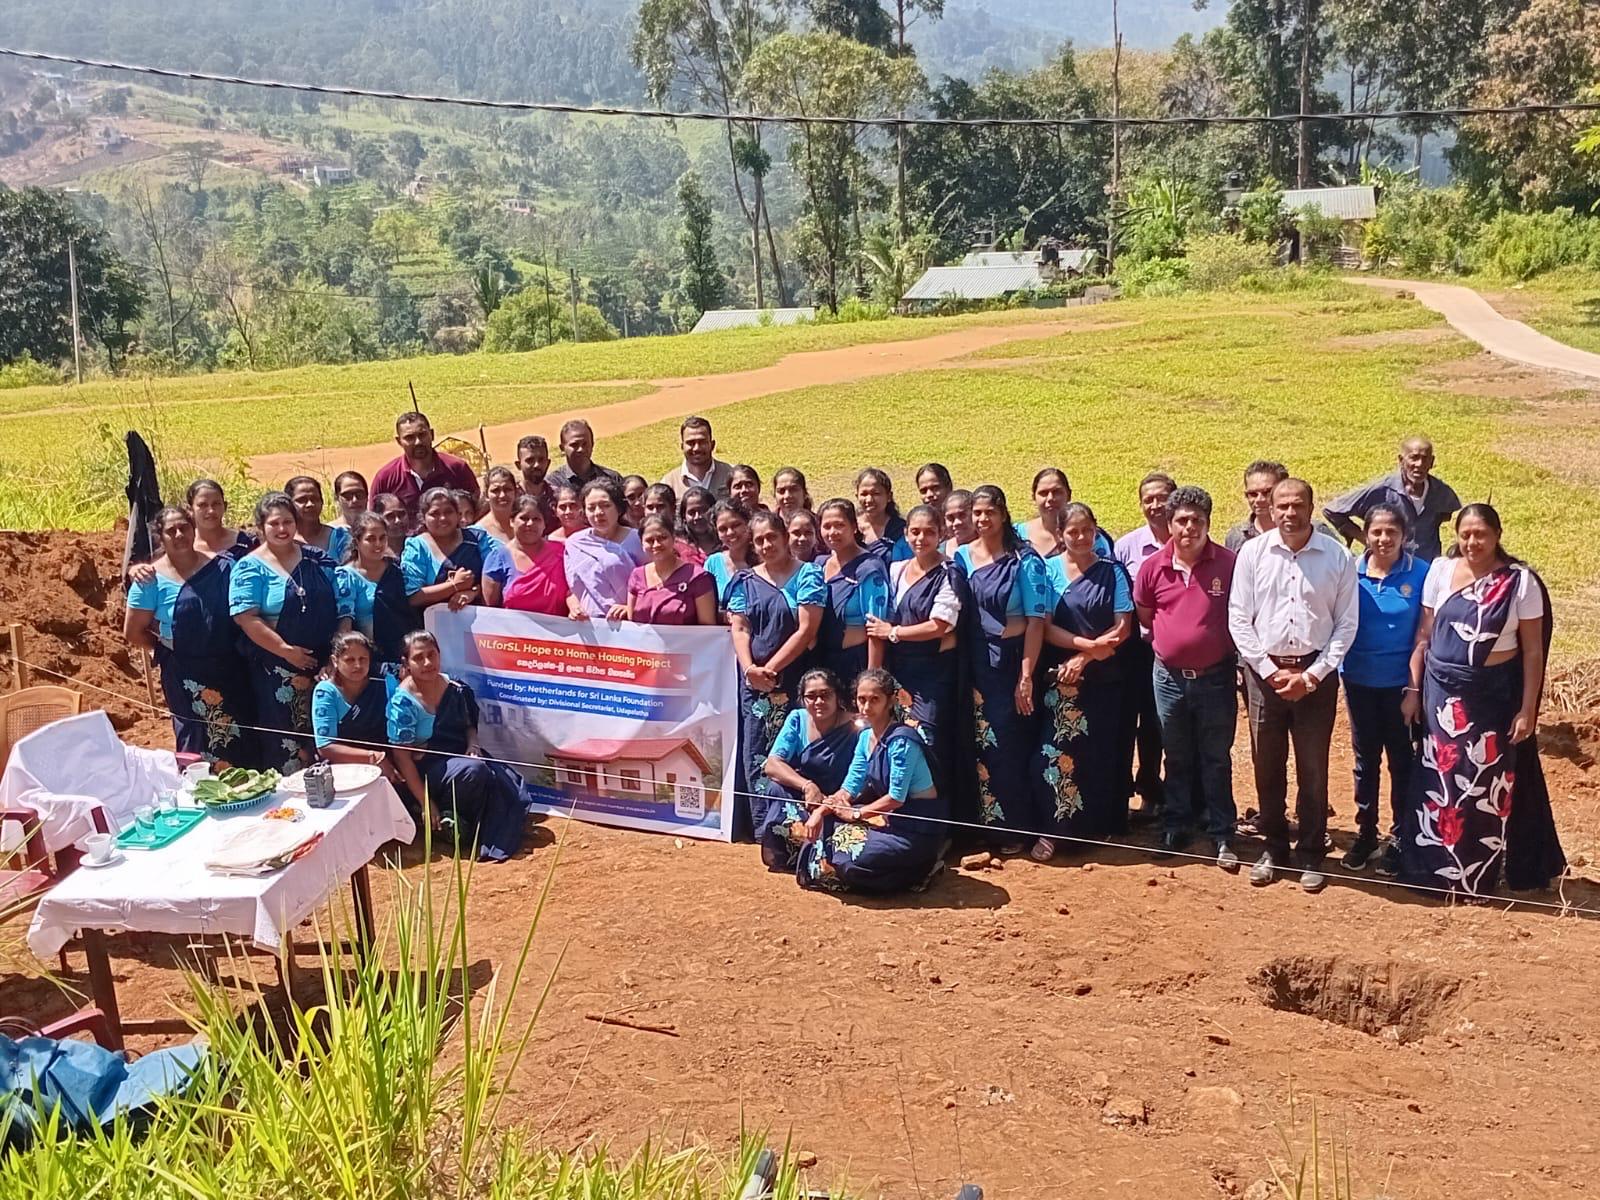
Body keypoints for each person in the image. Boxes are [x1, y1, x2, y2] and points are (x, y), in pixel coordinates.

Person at [1401, 504, 1564, 895]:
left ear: (1497, 535)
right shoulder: (1440, 570)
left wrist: (1528, 709)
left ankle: (1477, 876)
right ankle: (1432, 872)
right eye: (1466, 534)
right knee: (1439, 781)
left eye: (1481, 535)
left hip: (1491, 698)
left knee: (1483, 786)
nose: (1473, 542)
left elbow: (1532, 652)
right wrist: (1414, 690)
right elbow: (1424, 635)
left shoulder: (1519, 583)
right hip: (1441, 695)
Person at [1229, 479, 1359, 894]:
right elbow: (1238, 619)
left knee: (1313, 768)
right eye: (1281, 504)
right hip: (1264, 676)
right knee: (1266, 765)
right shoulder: (1253, 553)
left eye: (1296, 505)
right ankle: (1273, 848)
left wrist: (1312, 676)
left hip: (1315, 677)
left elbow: (1346, 624)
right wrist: (1269, 671)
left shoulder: (1335, 555)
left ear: (1310, 506)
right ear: (1271, 505)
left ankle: (1310, 852)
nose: (1288, 512)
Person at [1134, 486, 1240, 870]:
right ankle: (1176, 824)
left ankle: (1223, 831)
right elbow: (1146, 615)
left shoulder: (1229, 564)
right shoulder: (1152, 567)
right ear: (1170, 523)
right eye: (1182, 520)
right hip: (1169, 678)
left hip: (1216, 677)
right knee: (1175, 755)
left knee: (1215, 757)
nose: (1189, 527)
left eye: (1197, 520)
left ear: (1208, 523)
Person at [1030, 501, 1134, 859]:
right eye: (1072, 531)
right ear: (1060, 535)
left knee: (1097, 754)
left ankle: (1093, 830)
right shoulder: (1047, 571)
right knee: (1053, 754)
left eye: (1087, 530)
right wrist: (1085, 645)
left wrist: (1088, 656)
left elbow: (1122, 626)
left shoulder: (1113, 571)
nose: (1080, 537)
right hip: (1060, 679)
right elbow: (1043, 626)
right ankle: (1055, 830)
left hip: (1102, 679)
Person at [955, 485, 1050, 849]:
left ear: (1003, 514)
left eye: (988, 513)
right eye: (976, 513)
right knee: (978, 745)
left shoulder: (1025, 560)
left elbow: (1036, 621)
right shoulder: (962, 557)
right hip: (973, 663)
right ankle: (983, 828)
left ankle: (1017, 828)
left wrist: (1026, 675)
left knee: (1010, 745)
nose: (981, 520)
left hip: (1011, 663)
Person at [795, 668, 948, 895]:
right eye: (861, 700)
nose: (866, 707)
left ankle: (921, 869)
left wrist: (858, 814)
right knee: (826, 829)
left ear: (890, 701)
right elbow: (850, 786)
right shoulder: (865, 737)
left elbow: (896, 797)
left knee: (855, 860)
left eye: (874, 700)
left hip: (914, 830)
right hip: (886, 822)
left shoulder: (902, 741)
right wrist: (821, 812)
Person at [124, 505, 253, 770]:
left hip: (229, 669)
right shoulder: (149, 580)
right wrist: (170, 648)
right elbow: (133, 631)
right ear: (161, 536)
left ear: (194, 529)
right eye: (171, 530)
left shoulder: (222, 567)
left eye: (184, 527)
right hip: (184, 676)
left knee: (242, 737)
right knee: (195, 739)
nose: (179, 534)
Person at [387, 630, 530, 861]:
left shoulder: (454, 687)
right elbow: (403, 757)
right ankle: (441, 815)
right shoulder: (403, 703)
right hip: (425, 772)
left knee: (506, 784)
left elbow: (468, 725)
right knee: (474, 771)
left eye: (432, 655)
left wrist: (473, 744)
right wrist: (426, 803)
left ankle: (466, 822)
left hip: (459, 757)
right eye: (418, 658)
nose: (427, 663)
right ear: (406, 663)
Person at [1340, 502, 1428, 876]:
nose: (1383, 538)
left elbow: (1424, 636)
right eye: (1376, 531)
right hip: (1358, 681)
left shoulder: (1421, 573)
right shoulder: (1350, 572)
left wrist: (1413, 690)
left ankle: (1400, 838)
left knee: (1402, 762)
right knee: (1365, 762)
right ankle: (1365, 834)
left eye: (1391, 531)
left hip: (1400, 687)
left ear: (1404, 535)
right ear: (1366, 534)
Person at [229, 492, 346, 773]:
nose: (282, 529)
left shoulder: (317, 559)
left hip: (326, 666)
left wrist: (336, 656)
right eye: (274, 523)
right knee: (287, 743)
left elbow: (344, 604)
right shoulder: (249, 568)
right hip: (278, 671)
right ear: (261, 527)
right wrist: (287, 652)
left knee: (328, 734)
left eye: (288, 522)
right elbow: (246, 618)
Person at [866, 503, 966, 813]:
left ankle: (937, 820)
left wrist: (893, 632)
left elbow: (940, 625)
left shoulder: (949, 573)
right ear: (906, 534)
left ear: (941, 534)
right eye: (915, 531)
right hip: (898, 673)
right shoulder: (896, 570)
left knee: (928, 739)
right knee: (896, 740)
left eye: (929, 532)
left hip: (932, 674)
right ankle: (901, 813)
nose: (921, 538)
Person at [726, 510, 825, 789]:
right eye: (759, 541)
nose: (767, 545)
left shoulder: (808, 575)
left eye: (772, 537)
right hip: (754, 684)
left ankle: (796, 826)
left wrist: (769, 670)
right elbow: (740, 627)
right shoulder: (745, 581)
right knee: (756, 752)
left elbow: (806, 630)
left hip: (796, 679)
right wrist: (750, 670)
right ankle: (762, 827)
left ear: (784, 537)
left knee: (797, 754)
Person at [1114, 472, 1175, 823]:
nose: (1155, 505)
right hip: (1132, 650)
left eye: (1162, 497)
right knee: (1126, 721)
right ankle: (1120, 794)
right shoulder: (1126, 547)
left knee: (1157, 725)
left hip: (1168, 651)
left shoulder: (1186, 540)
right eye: (1148, 499)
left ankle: (1153, 791)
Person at [754, 667, 859, 871]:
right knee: (775, 788)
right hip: (808, 798)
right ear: (803, 699)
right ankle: (793, 852)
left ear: (837, 696)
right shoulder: (798, 719)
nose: (819, 702)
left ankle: (818, 853)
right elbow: (773, 764)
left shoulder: (856, 727)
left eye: (825, 695)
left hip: (842, 799)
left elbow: (862, 775)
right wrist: (808, 786)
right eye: (811, 696)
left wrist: (834, 800)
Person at [1325, 435, 1461, 561]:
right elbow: (1332, 510)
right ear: (1401, 460)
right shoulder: (1381, 490)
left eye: (1424, 458)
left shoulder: (1441, 492)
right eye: (1414, 458)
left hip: (1425, 569)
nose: (1419, 464)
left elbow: (1445, 515)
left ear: (1431, 462)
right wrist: (1364, 538)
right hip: (1387, 567)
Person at [816, 498, 892, 683]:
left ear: (854, 527)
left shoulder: (869, 568)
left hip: (855, 664)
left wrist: (871, 678)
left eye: (839, 525)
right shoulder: (818, 565)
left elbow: (877, 627)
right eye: (827, 526)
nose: (832, 532)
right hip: (821, 663)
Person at [310, 631, 399, 787]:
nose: (357, 665)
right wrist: (374, 757)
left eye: (363, 659)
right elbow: (325, 747)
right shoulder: (326, 692)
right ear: (335, 661)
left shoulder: (382, 683)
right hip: (345, 771)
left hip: (388, 763)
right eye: (350, 660)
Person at [370, 411, 481, 528]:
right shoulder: (385, 478)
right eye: (409, 438)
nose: (418, 442)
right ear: (399, 441)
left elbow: (477, 506)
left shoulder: (458, 468)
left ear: (432, 434)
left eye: (422, 435)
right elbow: (374, 520)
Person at [337, 512, 416, 667]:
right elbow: (345, 623)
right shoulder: (347, 576)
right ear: (357, 541)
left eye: (382, 538)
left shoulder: (396, 570)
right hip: (367, 661)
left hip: (402, 656)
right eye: (371, 539)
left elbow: (412, 602)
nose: (378, 544)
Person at [563, 478, 645, 619]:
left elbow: (653, 586)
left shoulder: (638, 540)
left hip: (630, 626)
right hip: (589, 628)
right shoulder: (575, 544)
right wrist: (574, 607)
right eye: (591, 507)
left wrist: (629, 608)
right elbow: (573, 590)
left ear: (618, 508)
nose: (598, 512)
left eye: (605, 505)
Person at [401, 487, 484, 616]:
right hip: (432, 625)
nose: (443, 518)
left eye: (448, 512)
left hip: (478, 624)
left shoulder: (476, 538)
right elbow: (413, 597)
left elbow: (496, 577)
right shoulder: (417, 547)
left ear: (457, 514)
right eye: (435, 514)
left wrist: (473, 592)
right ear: (423, 518)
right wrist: (454, 586)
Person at [1225, 460, 1339, 552]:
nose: (1259, 500)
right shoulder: (1237, 536)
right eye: (1253, 494)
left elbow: (1345, 562)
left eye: (1267, 492)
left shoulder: (1315, 530)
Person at [483, 494, 570, 615]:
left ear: (544, 524)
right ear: (512, 521)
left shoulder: (561, 553)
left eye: (536, 519)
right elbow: (492, 609)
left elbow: (575, 591)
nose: (530, 524)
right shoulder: (497, 559)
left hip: (560, 631)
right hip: (514, 631)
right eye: (524, 518)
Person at [627, 514, 716, 625]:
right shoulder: (637, 576)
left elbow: (708, 628)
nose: (656, 544)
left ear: (673, 538)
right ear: (641, 544)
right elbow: (631, 624)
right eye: (649, 540)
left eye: (663, 538)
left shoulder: (697, 577)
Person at [1017, 468, 1113, 559]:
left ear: (1069, 495)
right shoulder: (1016, 535)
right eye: (1043, 493)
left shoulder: (1091, 538)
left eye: (1057, 492)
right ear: (1034, 497)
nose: (1050, 498)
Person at [661, 415, 734, 498]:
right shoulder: (669, 483)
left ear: (712, 445)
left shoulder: (732, 475)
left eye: (702, 442)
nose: (696, 448)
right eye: (691, 443)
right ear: (682, 446)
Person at [704, 498, 757, 611]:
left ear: (748, 523)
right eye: (723, 529)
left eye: (736, 525)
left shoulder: (763, 559)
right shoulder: (713, 563)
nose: (730, 533)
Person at [286, 476, 351, 561]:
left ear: (322, 502)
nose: (310, 504)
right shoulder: (282, 540)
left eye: (315, 499)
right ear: (288, 504)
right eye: (302, 500)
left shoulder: (341, 539)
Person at [547, 418, 623, 491]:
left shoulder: (612, 479)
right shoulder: (552, 483)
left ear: (592, 444)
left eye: (585, 444)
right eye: (574, 445)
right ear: (562, 448)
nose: (581, 449)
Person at [855, 467, 909, 563]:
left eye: (876, 493)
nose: (869, 500)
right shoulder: (850, 527)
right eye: (864, 494)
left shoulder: (900, 530)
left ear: (889, 496)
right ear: (857, 496)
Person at [514, 433, 559, 528]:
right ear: (518, 465)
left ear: (548, 463)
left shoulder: (557, 496)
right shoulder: (512, 497)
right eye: (530, 460)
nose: (536, 465)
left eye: (541, 459)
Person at [472, 466, 520, 545]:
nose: (502, 495)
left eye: (507, 489)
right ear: (486, 495)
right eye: (495, 490)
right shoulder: (477, 533)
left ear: (516, 492)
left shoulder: (525, 524)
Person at [678, 485, 722, 561]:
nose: (698, 517)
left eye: (703, 510)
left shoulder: (727, 541)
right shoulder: (678, 549)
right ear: (684, 517)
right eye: (691, 513)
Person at [373, 492, 409, 559]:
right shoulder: (372, 552)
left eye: (401, 514)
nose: (398, 521)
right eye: (390, 516)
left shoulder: (418, 547)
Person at [942, 489, 975, 557]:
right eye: (950, 518)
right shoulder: (938, 552)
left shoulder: (992, 549)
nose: (956, 523)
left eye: (962, 515)